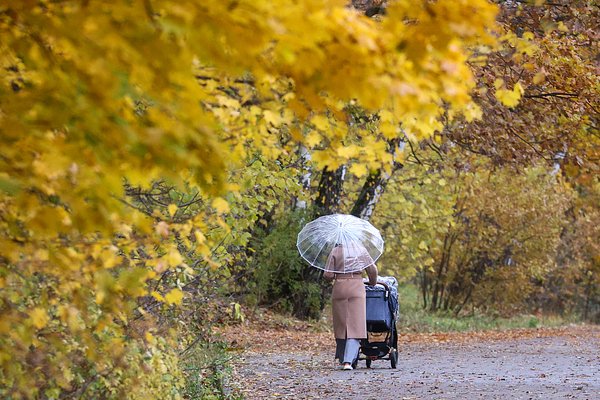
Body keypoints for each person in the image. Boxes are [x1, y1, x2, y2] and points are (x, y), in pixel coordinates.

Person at [323, 243, 378, 370]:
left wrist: (337, 275)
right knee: (355, 325)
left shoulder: (335, 251)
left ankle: (343, 359)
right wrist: (373, 282)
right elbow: (372, 270)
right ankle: (348, 361)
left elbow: (328, 275)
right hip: (356, 287)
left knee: (341, 324)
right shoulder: (361, 250)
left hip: (340, 287)